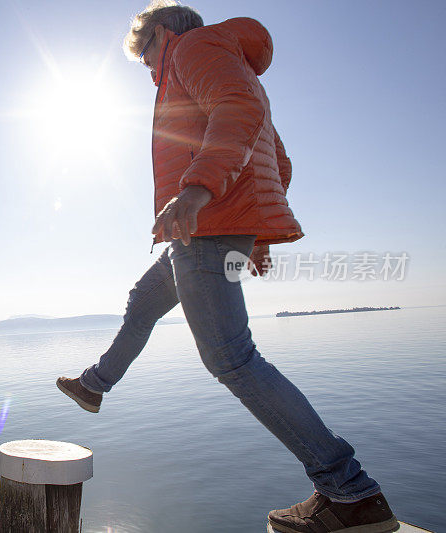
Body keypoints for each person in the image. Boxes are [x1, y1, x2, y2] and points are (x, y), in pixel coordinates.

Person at [56, 2, 399, 532]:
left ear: (163, 33)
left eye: (146, 54)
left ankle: (349, 491)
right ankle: (95, 385)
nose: (148, 69)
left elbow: (236, 110)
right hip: (213, 230)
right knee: (143, 301)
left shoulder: (193, 50)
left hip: (207, 227)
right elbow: (277, 162)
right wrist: (255, 237)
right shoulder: (229, 61)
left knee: (232, 360)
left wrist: (195, 191)